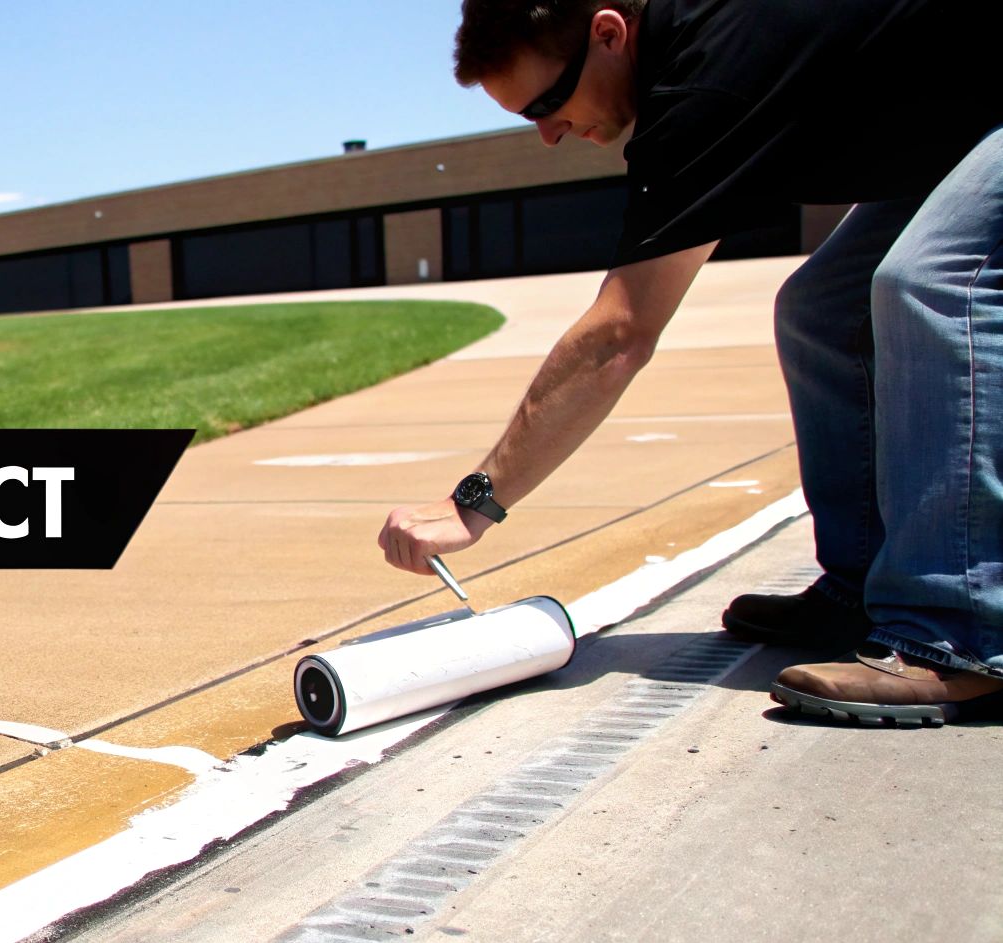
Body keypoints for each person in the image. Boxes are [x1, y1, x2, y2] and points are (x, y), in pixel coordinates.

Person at [379, 0, 1002, 724]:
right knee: (822, 312)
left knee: (934, 283)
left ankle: (960, 632)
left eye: (548, 103)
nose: (548, 134)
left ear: (610, 34)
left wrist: (473, 505)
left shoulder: (708, 82)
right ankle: (860, 587)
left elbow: (619, 335)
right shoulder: (702, 54)